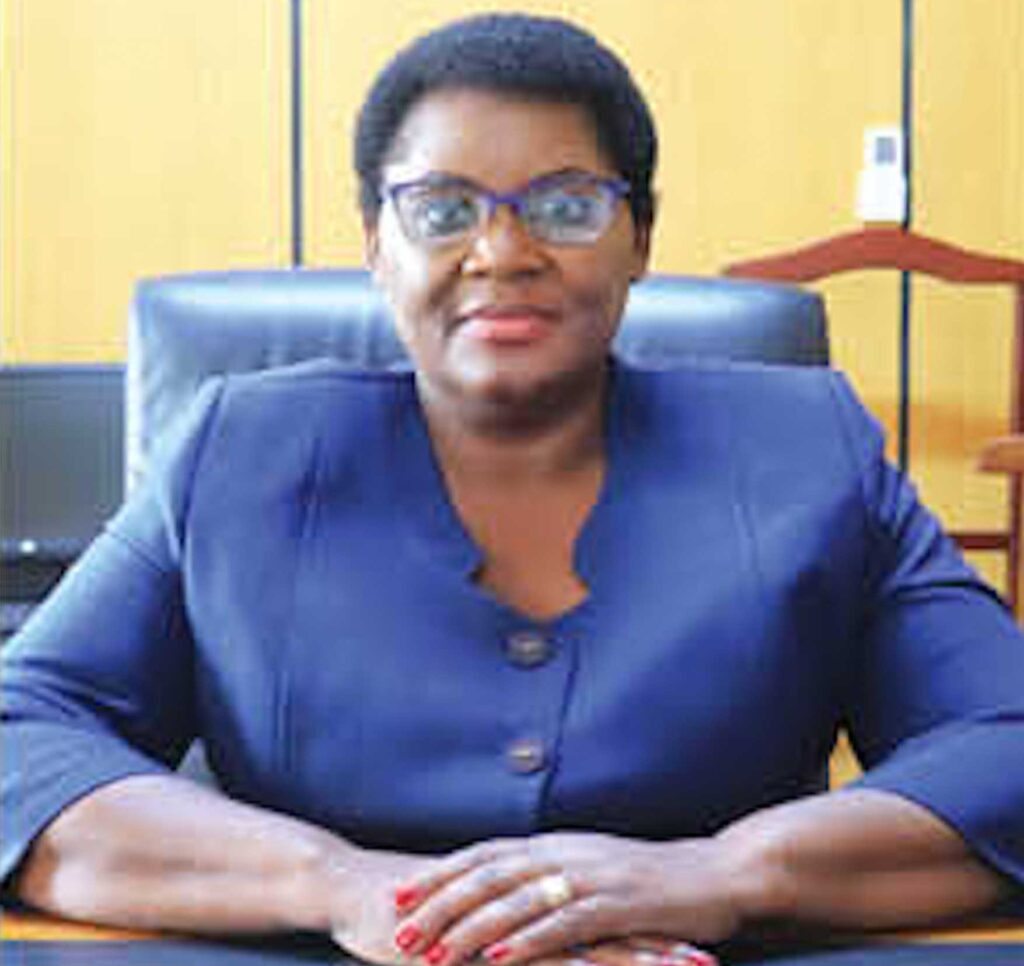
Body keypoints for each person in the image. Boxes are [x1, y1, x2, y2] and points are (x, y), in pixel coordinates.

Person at [3, 12, 1024, 966]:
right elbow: (22, 735)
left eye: (567, 207)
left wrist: (717, 875)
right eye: (441, 211)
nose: (501, 253)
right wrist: (344, 886)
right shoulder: (235, 454)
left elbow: (1004, 740)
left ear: (639, 237)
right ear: (376, 244)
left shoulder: (805, 453)